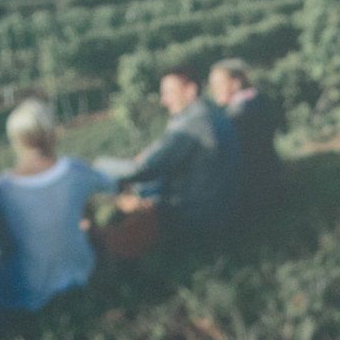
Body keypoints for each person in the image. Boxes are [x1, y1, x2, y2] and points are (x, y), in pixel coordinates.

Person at [0, 96, 116, 315]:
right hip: (79, 272)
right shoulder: (74, 171)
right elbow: (110, 184)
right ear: (52, 133)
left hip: (28, 290)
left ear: (15, 140)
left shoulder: (3, 189)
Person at [108, 65, 240, 248]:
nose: (164, 101)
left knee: (123, 212)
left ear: (191, 90)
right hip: (222, 204)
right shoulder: (207, 109)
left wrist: (97, 168)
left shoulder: (193, 122)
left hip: (201, 215)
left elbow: (145, 169)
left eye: (169, 93)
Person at [208, 57, 283, 215]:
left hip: (256, 193)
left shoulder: (241, 112)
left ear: (236, 83)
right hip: (270, 180)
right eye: (212, 85)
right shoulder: (256, 100)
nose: (213, 90)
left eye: (218, 84)